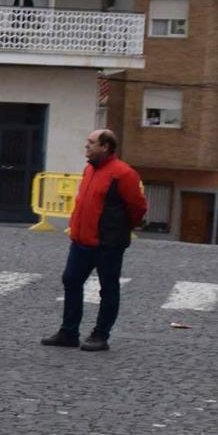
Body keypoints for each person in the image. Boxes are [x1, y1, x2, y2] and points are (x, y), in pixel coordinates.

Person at [42, 128, 147, 353]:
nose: (86, 146)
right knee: (71, 280)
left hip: (107, 243)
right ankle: (69, 332)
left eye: (91, 142)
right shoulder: (90, 169)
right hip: (81, 240)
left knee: (107, 289)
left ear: (105, 146)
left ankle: (101, 334)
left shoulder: (123, 174)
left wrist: (120, 228)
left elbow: (137, 207)